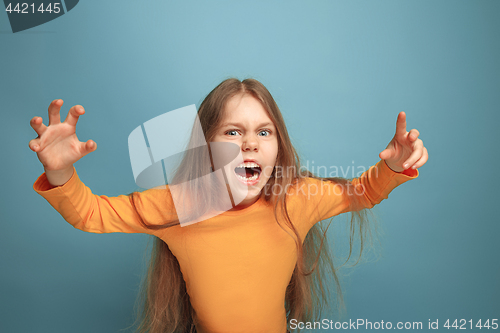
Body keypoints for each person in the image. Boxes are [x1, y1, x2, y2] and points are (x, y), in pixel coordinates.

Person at [29, 78, 428, 333]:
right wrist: (62, 174)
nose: (249, 143)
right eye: (233, 132)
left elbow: (361, 191)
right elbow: (92, 213)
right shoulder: (178, 205)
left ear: (278, 145)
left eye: (263, 132)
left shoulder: (296, 199)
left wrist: (392, 166)